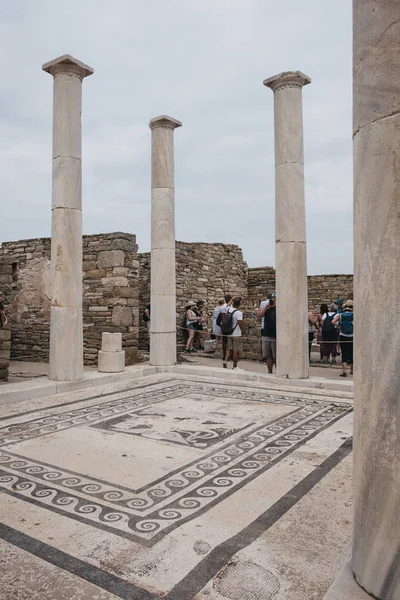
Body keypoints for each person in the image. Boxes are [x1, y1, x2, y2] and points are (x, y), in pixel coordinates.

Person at [223, 296, 246, 370]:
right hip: (236, 333)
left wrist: (232, 299)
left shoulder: (229, 309)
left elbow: (227, 306)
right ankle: (235, 366)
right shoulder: (238, 313)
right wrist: (245, 334)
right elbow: (240, 324)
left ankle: (225, 361)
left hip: (229, 332)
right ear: (239, 304)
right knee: (236, 350)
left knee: (229, 348)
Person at [333, 299, 354, 377]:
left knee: (344, 353)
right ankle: (352, 370)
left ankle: (344, 371)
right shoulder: (354, 315)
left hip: (343, 335)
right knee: (352, 353)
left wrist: (339, 326)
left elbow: (333, 322)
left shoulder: (341, 315)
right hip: (352, 336)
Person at [258, 292, 276, 373]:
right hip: (266, 333)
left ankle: (279, 372)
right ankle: (269, 372)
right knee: (268, 355)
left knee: (276, 356)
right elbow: (259, 315)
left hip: (276, 335)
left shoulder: (280, 308)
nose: (273, 301)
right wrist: (266, 307)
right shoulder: (267, 309)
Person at [218, 294, 233, 365]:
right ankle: (229, 356)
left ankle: (224, 356)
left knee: (224, 341)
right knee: (229, 342)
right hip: (228, 326)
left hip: (223, 325)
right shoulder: (228, 307)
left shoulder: (222, 307)